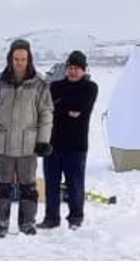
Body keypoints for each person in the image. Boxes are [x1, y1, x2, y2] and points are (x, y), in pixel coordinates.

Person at [0, 38, 53, 237]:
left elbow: (46, 113)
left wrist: (43, 141)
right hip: (3, 145)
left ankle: (27, 223)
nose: (20, 62)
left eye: (23, 59)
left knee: (28, 187)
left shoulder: (39, 85)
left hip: (28, 146)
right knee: (1, 186)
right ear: (10, 59)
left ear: (29, 59)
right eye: (16, 59)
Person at [41, 50, 99, 231]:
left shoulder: (90, 88)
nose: (73, 72)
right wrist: (67, 108)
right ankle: (51, 218)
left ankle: (76, 217)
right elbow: (47, 109)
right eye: (70, 68)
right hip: (52, 144)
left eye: (76, 69)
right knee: (51, 184)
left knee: (75, 184)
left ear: (83, 70)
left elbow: (81, 107)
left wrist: (61, 105)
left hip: (76, 146)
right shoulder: (55, 86)